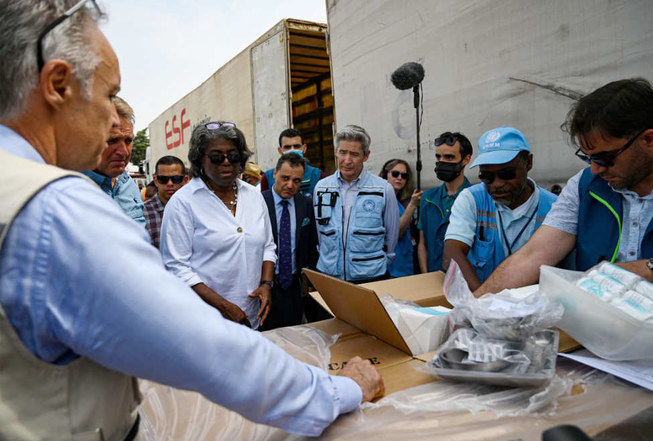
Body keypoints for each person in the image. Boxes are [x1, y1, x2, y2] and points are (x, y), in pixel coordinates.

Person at [0, 2, 382, 438]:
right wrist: (341, 391)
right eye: (109, 97)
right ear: (57, 85)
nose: (113, 122)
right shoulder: (57, 209)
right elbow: (207, 350)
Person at [475, 78, 653, 297]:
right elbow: (532, 256)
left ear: (649, 140)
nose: (595, 169)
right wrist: (471, 308)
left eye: (605, 158)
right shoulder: (585, 186)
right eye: (588, 158)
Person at [161, 121, 276, 330]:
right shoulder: (183, 203)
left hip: (251, 316)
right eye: (216, 157)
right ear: (199, 159)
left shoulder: (254, 197)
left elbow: (268, 246)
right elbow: (176, 268)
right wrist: (224, 306)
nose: (226, 162)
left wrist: (267, 284)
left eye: (233, 156)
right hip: (205, 321)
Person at [443, 127, 558, 291]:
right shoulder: (472, 199)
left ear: (529, 163)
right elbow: (452, 255)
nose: (496, 184)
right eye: (486, 177)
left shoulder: (555, 208)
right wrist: (483, 303)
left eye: (507, 173)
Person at [313, 125, 399, 282]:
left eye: (354, 154)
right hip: (329, 274)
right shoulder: (321, 187)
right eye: (342, 153)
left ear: (366, 156)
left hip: (371, 277)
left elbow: (391, 237)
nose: (347, 160)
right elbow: (320, 233)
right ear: (336, 152)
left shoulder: (383, 189)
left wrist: (377, 264)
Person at [261, 153, 319, 330]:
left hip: (293, 287)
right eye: (285, 178)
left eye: (296, 181)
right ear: (274, 174)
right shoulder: (258, 202)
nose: (290, 185)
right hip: (263, 287)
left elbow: (311, 246)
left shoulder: (306, 204)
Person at [83, 96, 145, 225]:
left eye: (128, 141)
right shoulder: (71, 189)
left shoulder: (129, 185)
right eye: (112, 140)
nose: (124, 152)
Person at [417, 132, 472, 273]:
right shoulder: (428, 198)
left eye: (449, 157)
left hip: (465, 279)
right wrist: (425, 275)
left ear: (466, 160)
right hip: (433, 278)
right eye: (438, 156)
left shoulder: (476, 198)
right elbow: (422, 243)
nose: (442, 161)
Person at [379, 159, 422, 277]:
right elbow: (396, 233)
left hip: (404, 266)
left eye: (404, 175)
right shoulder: (382, 200)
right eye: (395, 174)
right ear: (384, 174)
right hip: (392, 269)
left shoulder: (399, 202)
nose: (399, 178)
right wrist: (413, 205)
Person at [261, 128, 326, 198]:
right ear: (280, 150)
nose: (292, 150)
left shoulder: (319, 176)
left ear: (304, 148)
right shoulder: (267, 178)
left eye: (296, 146)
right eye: (287, 147)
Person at [143, 155, 189, 249]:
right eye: (163, 179)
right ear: (155, 180)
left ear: (185, 180)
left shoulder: (194, 209)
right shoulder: (142, 213)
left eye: (176, 179)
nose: (170, 184)